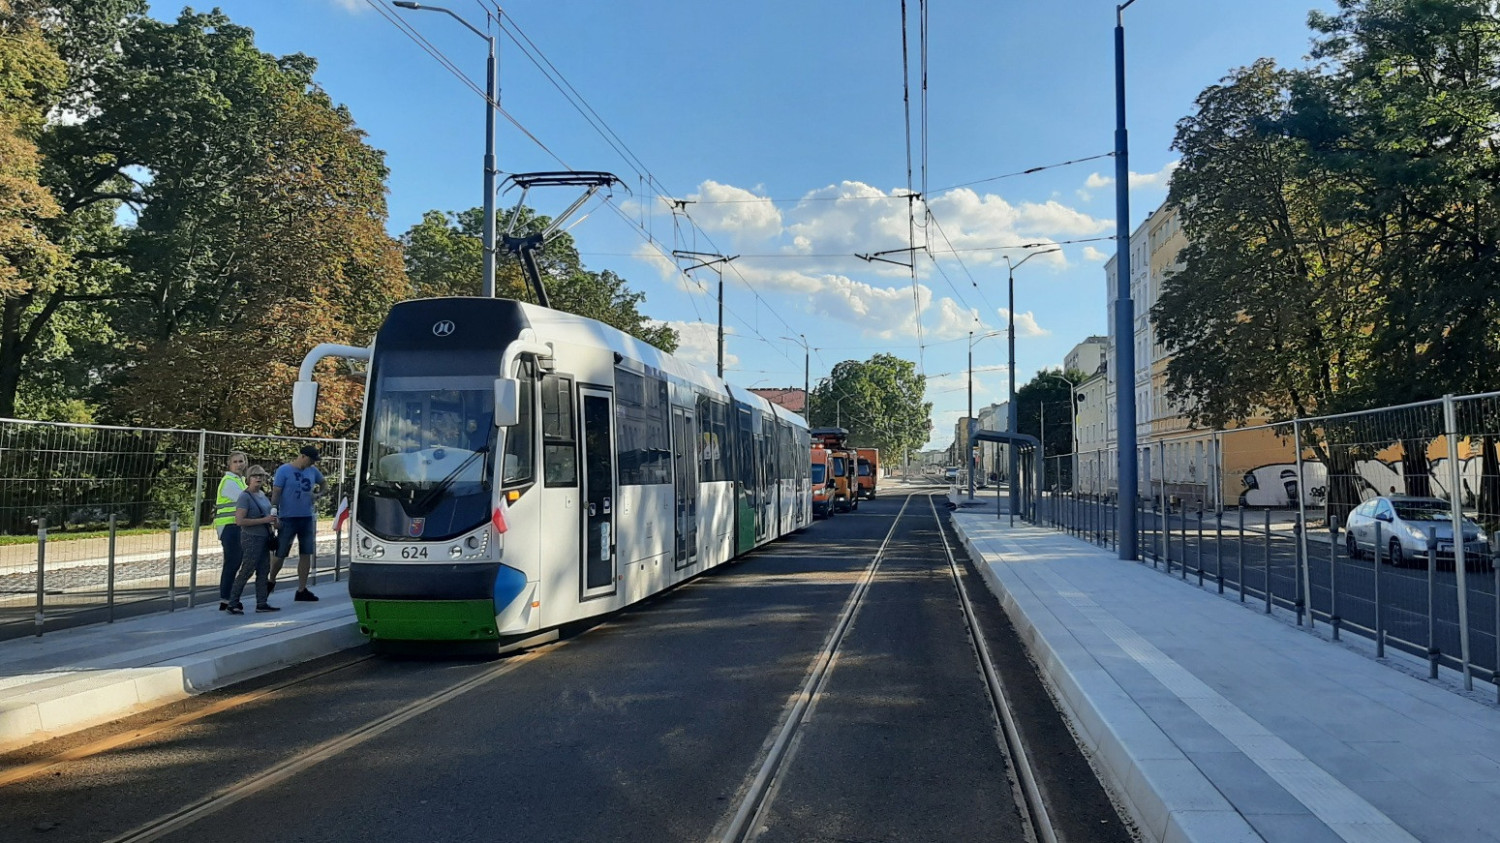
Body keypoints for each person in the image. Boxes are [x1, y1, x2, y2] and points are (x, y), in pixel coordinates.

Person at [270, 445, 326, 602]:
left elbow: (323, 483)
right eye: (311, 460)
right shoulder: (284, 470)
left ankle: (302, 589)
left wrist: (318, 494)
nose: (312, 463)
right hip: (288, 517)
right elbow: (276, 491)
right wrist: (274, 511)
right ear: (303, 456)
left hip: (306, 517)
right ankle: (271, 579)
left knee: (306, 552)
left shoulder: (312, 471)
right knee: (281, 552)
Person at [227, 465, 278, 614]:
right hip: (251, 537)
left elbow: (269, 516)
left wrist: (275, 521)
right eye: (255, 476)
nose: (258, 478)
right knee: (247, 569)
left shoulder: (262, 495)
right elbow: (240, 521)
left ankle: (261, 603)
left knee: (264, 570)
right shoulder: (245, 496)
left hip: (265, 537)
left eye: (261, 476)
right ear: (248, 478)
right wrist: (264, 520)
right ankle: (233, 602)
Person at [214, 452, 249, 611]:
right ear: (229, 464)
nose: (238, 464)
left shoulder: (239, 480)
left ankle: (228, 599)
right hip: (229, 527)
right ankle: (227, 599)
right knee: (232, 562)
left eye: (241, 461)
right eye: (235, 462)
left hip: (236, 526)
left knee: (235, 562)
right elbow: (246, 500)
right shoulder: (229, 482)